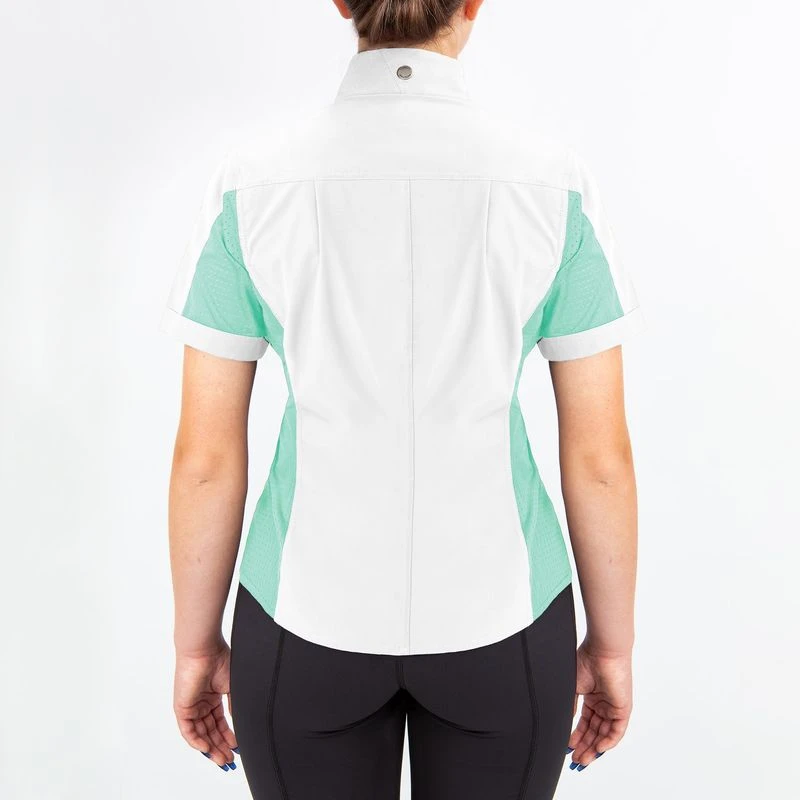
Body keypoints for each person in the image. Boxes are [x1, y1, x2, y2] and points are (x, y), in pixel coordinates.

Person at [159, 1, 644, 797]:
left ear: (342, 3)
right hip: (507, 625)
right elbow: (600, 460)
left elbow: (205, 460)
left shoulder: (251, 185)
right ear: (473, 4)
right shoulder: (553, 186)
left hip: (302, 623)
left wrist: (194, 645)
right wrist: (613, 647)